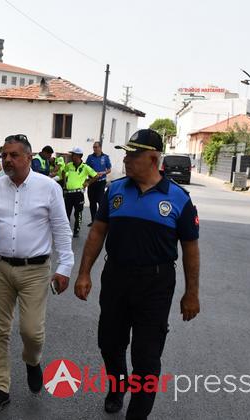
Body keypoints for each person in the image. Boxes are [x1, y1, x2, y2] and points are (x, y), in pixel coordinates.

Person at [74, 129, 200, 420]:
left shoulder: (178, 198)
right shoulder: (116, 190)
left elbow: (191, 248)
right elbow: (97, 232)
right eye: (126, 154)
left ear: (153, 159)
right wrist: (84, 273)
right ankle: (117, 387)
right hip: (116, 278)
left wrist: (191, 293)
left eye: (133, 155)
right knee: (110, 343)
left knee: (146, 357)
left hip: (155, 284)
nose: (126, 160)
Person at [0, 134, 74, 415]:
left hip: (36, 270)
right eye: (4, 155)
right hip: (0, 267)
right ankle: (0, 388)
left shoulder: (48, 188)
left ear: (28, 157)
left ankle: (32, 361)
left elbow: (62, 228)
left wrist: (64, 267)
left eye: (14, 155)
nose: (7, 160)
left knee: (31, 332)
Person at [61, 147, 98, 238]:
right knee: (66, 213)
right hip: (68, 193)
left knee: (78, 213)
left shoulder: (85, 167)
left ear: (79, 156)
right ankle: (65, 230)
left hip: (78, 194)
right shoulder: (69, 165)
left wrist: (88, 183)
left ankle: (76, 230)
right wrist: (65, 184)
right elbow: (63, 172)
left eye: (73, 154)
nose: (71, 156)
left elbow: (96, 176)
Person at [85, 141, 112, 226]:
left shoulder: (105, 157)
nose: (95, 149)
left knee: (101, 202)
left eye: (96, 147)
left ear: (100, 148)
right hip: (92, 182)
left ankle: (102, 221)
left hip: (101, 183)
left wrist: (103, 173)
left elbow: (109, 169)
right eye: (94, 147)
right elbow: (86, 168)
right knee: (92, 203)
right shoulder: (90, 157)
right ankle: (93, 221)